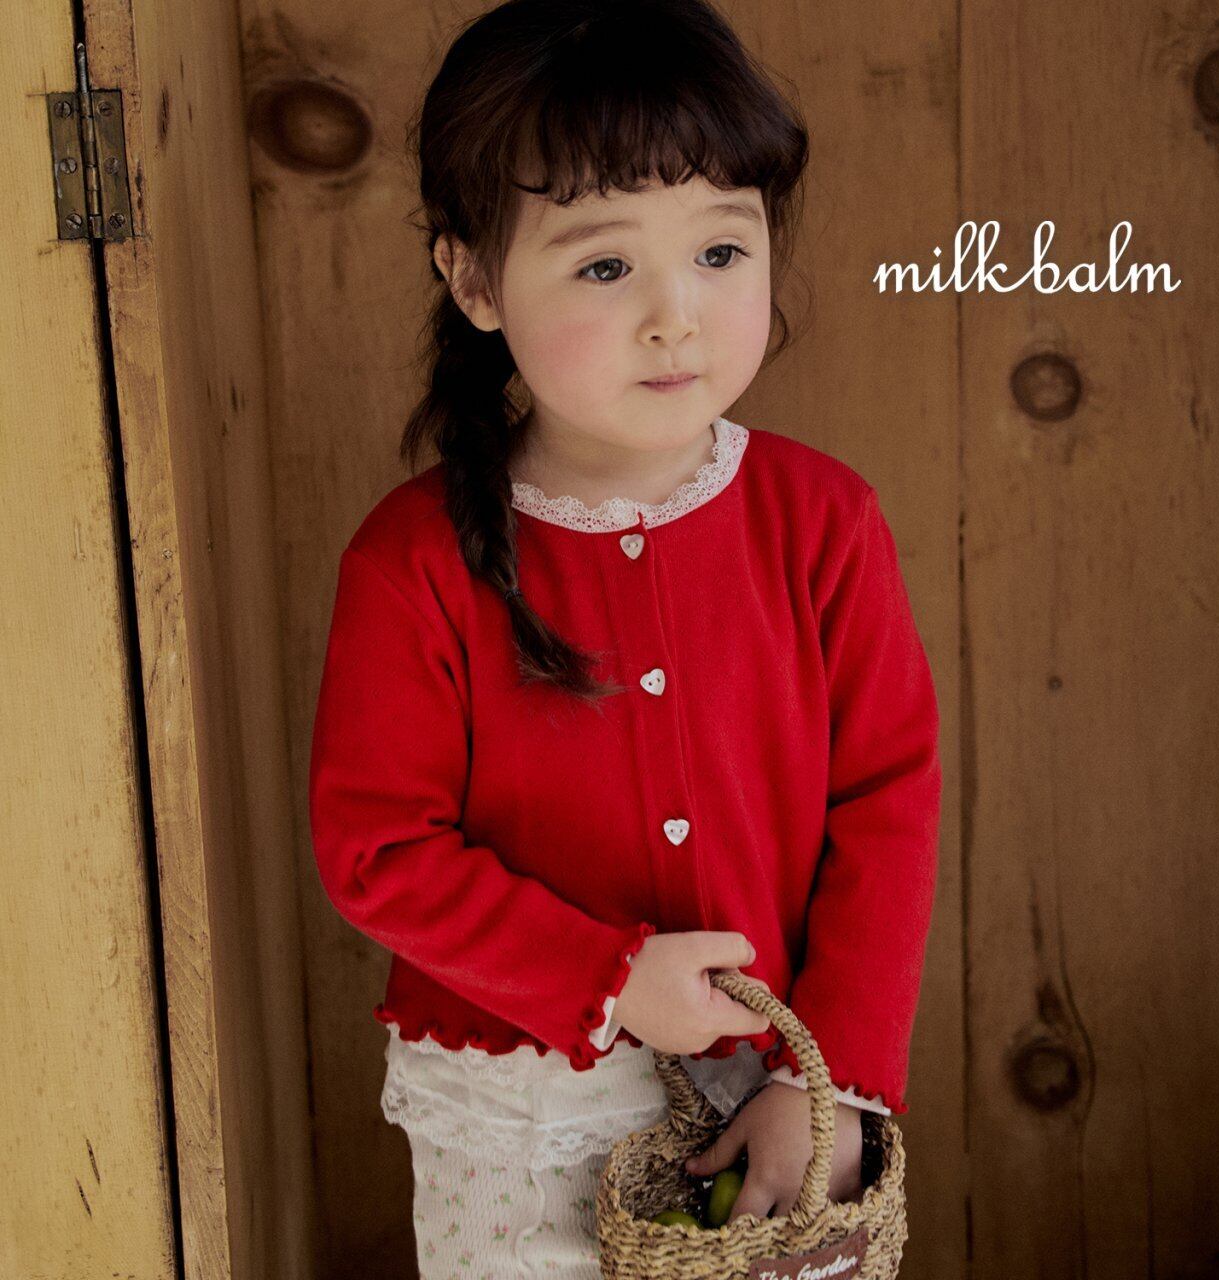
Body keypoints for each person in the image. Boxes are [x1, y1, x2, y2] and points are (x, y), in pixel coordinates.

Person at [307, 1, 943, 1275]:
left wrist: (827, 1081)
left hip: (778, 1091)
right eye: (605, 268)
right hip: (518, 1115)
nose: (676, 314)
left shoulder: (823, 521)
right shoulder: (410, 558)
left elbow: (887, 802)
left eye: (719, 249)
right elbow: (376, 848)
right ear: (473, 280)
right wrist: (607, 976)